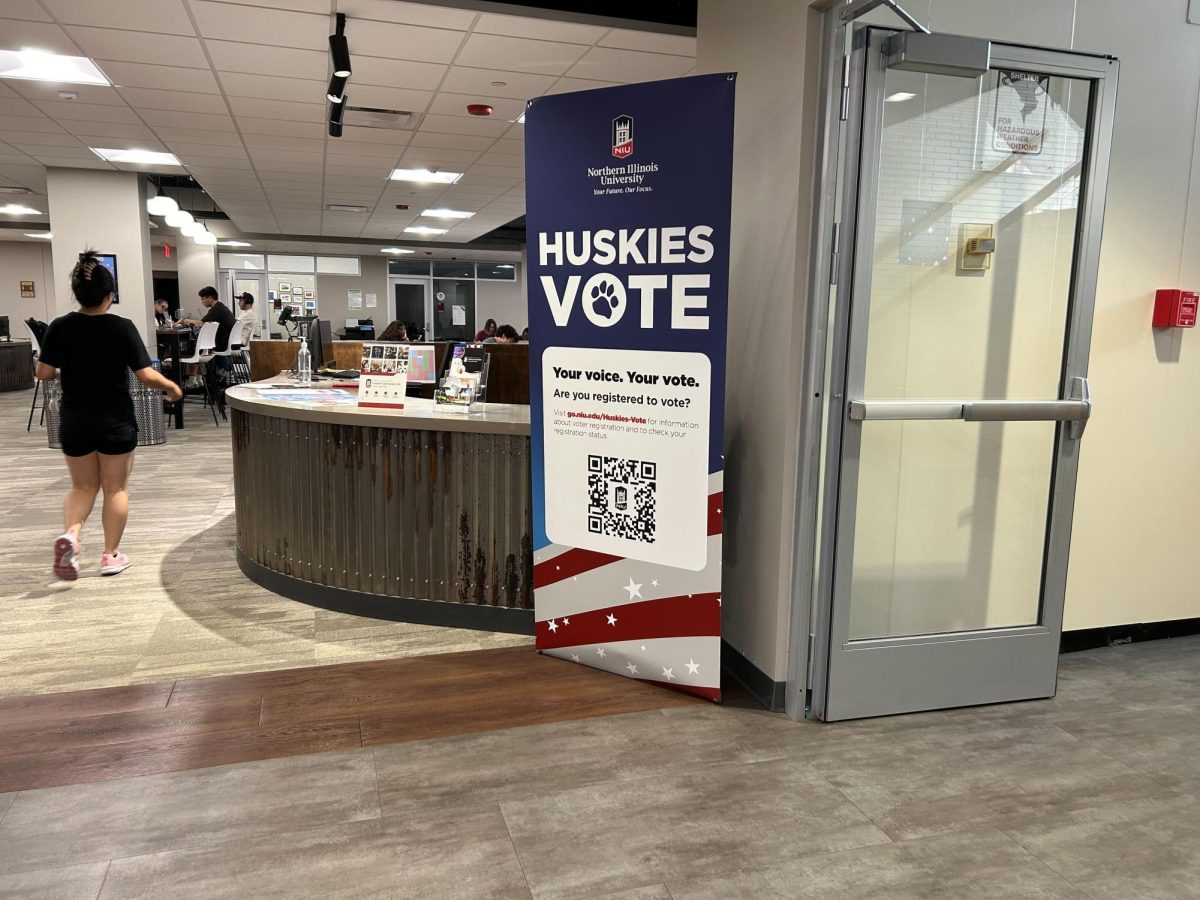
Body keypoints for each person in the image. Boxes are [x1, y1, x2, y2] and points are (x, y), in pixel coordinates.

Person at [36, 250, 183, 580]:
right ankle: (110, 556)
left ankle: (71, 536)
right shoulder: (122, 328)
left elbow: (43, 373)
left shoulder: (60, 327)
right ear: (109, 295)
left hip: (74, 421)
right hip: (114, 419)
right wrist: (171, 387)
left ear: (77, 293)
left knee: (82, 487)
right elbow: (146, 375)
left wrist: (70, 371)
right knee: (115, 489)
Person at [181, 286, 235, 352]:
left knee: (193, 341)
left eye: (203, 299)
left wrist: (184, 320)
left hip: (221, 343)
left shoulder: (216, 309)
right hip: (227, 341)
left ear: (210, 298)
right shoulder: (221, 307)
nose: (202, 301)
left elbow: (201, 323)